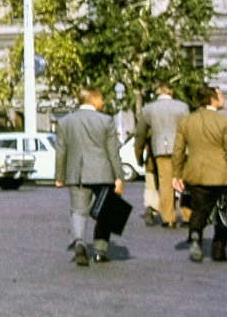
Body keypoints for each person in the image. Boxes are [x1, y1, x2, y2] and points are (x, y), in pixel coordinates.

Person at [54, 88, 125, 266]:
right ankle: (100, 251)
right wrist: (119, 176)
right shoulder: (106, 120)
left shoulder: (65, 122)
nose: (103, 103)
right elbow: (113, 152)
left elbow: (60, 151)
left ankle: (79, 243)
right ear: (93, 100)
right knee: (105, 212)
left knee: (78, 210)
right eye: (101, 99)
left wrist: (59, 175)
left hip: (77, 173)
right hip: (103, 172)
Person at [171, 85, 227, 263]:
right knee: (222, 212)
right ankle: (218, 250)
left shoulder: (187, 121)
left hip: (195, 173)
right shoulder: (223, 121)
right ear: (213, 100)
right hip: (221, 175)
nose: (223, 99)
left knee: (199, 209)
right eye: (221, 96)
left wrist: (176, 174)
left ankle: (195, 234)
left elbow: (178, 150)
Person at [135, 83, 191, 230]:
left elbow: (140, 134)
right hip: (181, 150)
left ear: (157, 92)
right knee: (183, 182)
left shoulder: (148, 109)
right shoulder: (182, 107)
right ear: (171, 92)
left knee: (165, 184)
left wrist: (138, 154)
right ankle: (187, 216)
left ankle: (168, 218)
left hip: (161, 149)